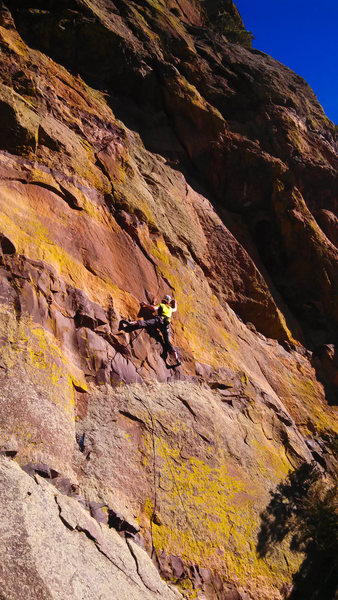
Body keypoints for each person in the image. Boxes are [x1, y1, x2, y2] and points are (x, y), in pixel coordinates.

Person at [119, 295, 181, 366]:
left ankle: (130, 323)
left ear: (163, 300)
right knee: (167, 342)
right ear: (168, 302)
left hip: (159, 321)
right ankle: (177, 359)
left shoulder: (161, 305)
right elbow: (175, 309)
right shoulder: (170, 308)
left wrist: (145, 304)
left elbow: (153, 308)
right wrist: (175, 303)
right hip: (166, 326)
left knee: (145, 323)